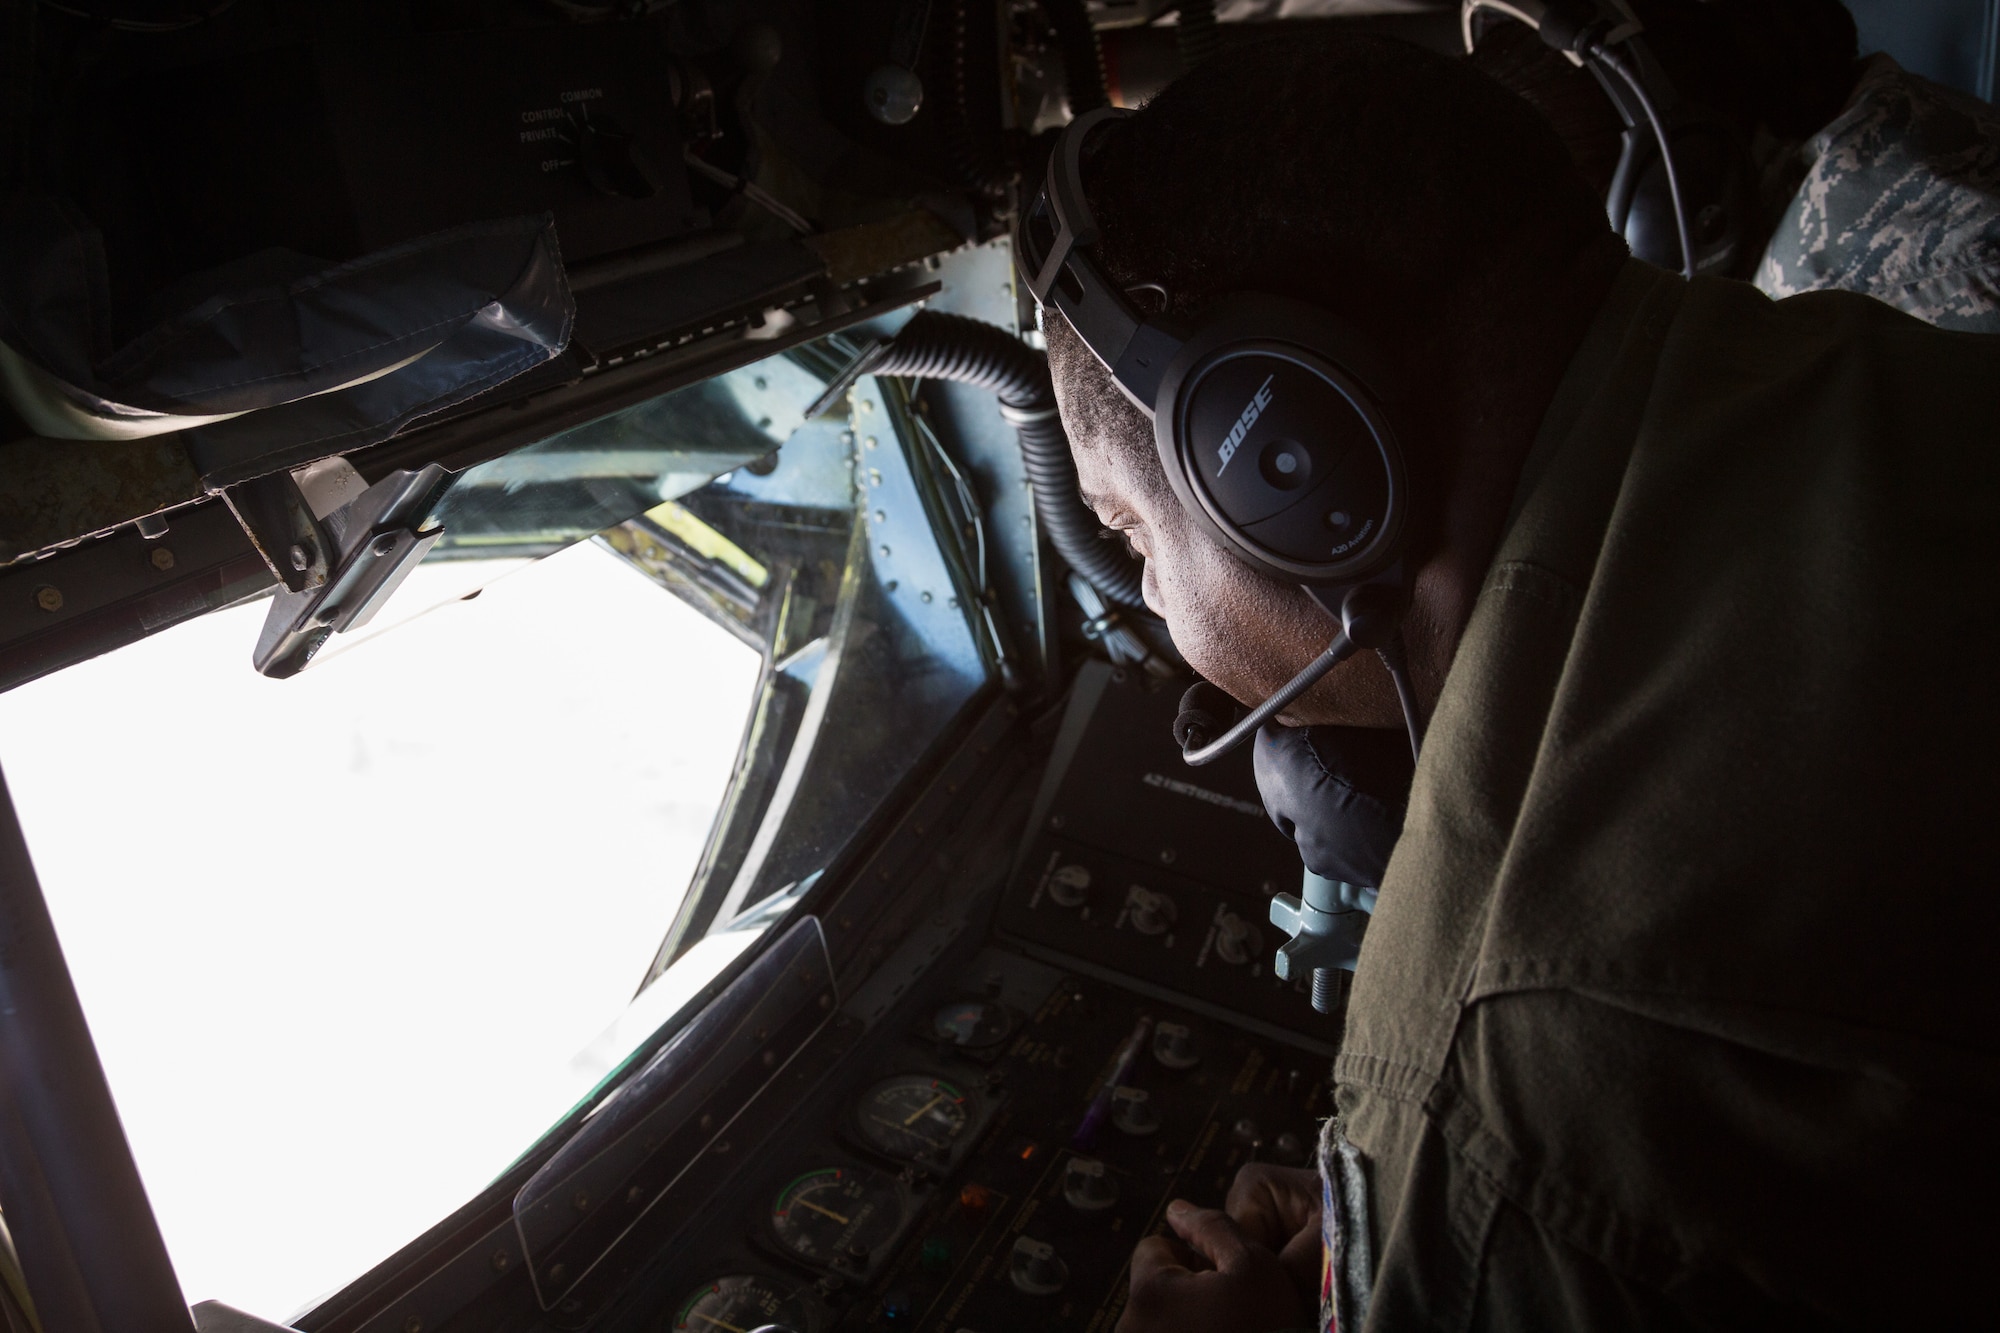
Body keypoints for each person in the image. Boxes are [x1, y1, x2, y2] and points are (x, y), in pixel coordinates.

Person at [1034, 29, 2000, 1333]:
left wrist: (1426, 1252)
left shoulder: (1513, 1073)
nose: (1146, 598)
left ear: (1280, 453)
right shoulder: (1867, 358)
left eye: (1135, 531)